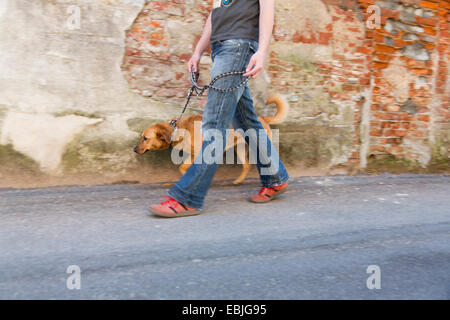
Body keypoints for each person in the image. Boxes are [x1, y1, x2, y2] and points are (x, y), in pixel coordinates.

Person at [149, 0, 290, 218]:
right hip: (221, 49)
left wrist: (261, 51)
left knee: (214, 125)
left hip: (239, 47)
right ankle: (275, 178)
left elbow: (267, 9)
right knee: (246, 121)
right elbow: (213, 16)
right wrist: (197, 51)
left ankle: (188, 198)